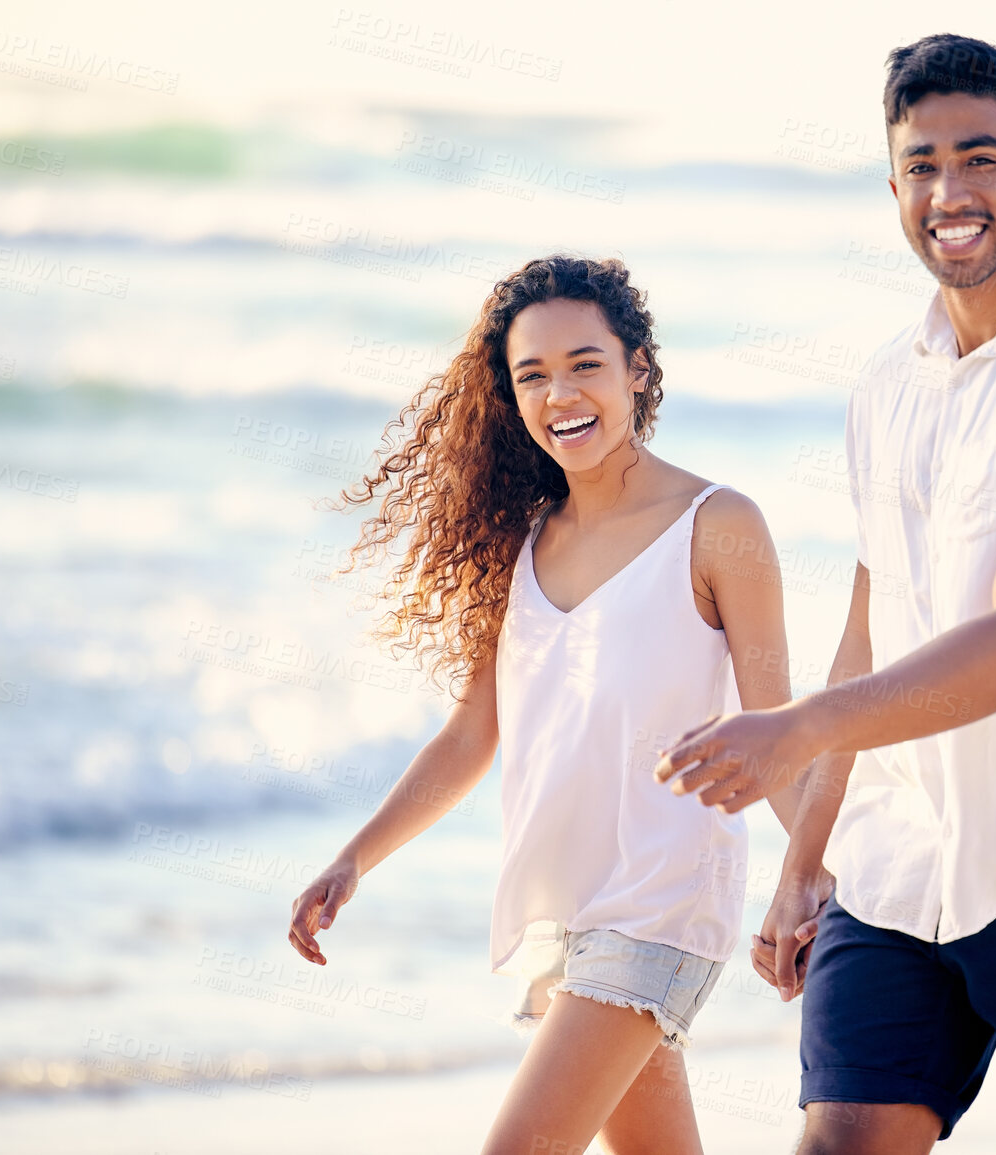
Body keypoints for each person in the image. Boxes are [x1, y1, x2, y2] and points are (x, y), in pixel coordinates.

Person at [654, 35, 996, 1155]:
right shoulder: (887, 384)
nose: (950, 193)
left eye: (982, 161)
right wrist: (809, 853)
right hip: (895, 866)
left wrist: (797, 729)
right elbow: (872, 627)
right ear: (895, 185)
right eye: (921, 166)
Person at [287, 256, 804, 1155]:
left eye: (585, 364)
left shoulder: (719, 525)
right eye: (532, 375)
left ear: (637, 367)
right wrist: (353, 857)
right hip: (565, 908)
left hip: (663, 896)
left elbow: (781, 732)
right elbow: (469, 735)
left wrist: (812, 879)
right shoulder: (520, 542)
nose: (559, 392)